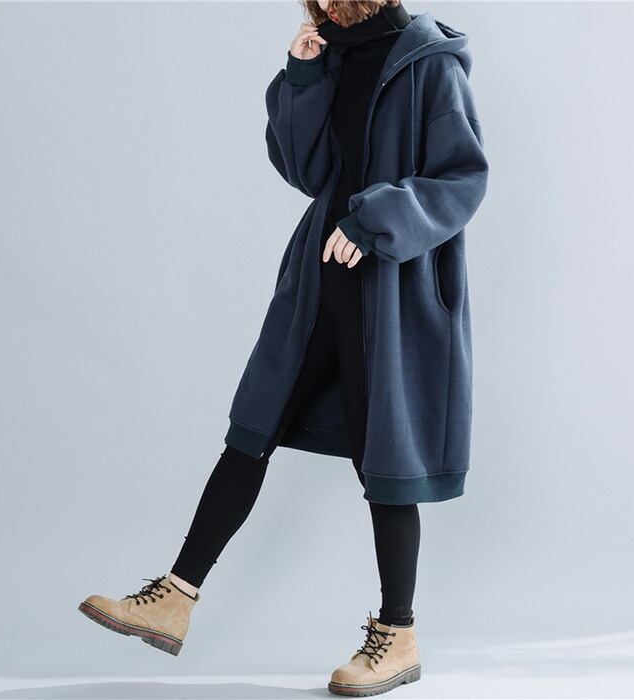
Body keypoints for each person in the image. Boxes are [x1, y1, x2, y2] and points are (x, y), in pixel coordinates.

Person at [78, 1, 488, 697]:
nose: (321, 3)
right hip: (318, 283)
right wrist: (302, 77)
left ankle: (398, 635)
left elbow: (462, 179)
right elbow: (307, 169)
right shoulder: (332, 52)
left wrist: (375, 223)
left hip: (390, 291)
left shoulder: (432, 64)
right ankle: (174, 597)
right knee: (252, 429)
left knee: (384, 460)